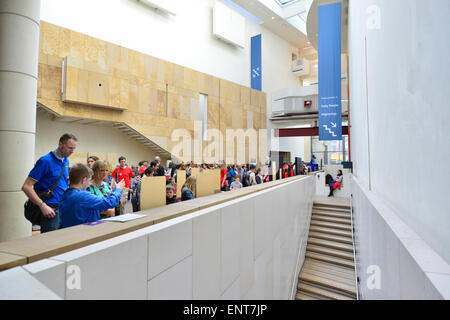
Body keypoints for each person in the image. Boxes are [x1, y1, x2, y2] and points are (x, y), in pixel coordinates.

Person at [22, 133, 77, 233]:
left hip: (63, 207)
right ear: (61, 144)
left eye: (74, 148)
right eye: (70, 148)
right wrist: (42, 206)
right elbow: (26, 186)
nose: (72, 151)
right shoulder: (45, 161)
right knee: (49, 243)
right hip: (50, 210)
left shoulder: (66, 160)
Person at [59, 164, 125, 228]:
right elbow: (110, 202)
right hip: (86, 231)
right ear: (84, 180)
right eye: (88, 180)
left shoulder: (65, 195)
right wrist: (118, 189)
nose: (89, 183)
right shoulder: (82, 196)